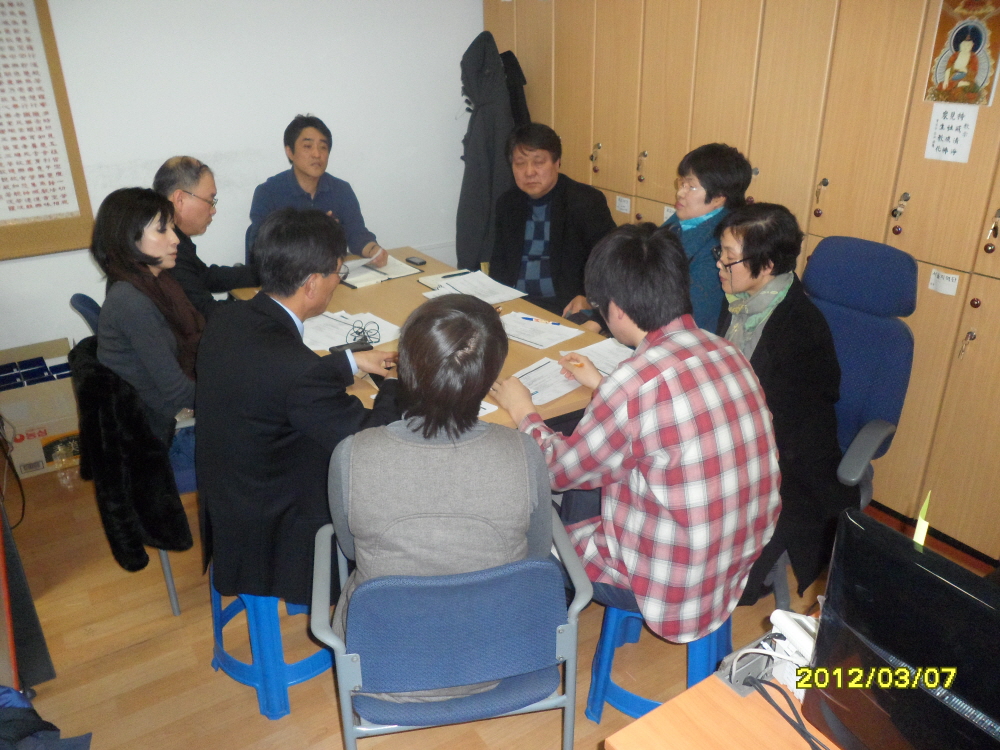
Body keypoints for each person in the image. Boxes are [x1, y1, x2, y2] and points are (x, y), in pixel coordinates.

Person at [493, 223, 780, 642]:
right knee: (597, 476)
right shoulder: (726, 350)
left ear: (617, 310)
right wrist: (603, 386)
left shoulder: (632, 385)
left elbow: (556, 471)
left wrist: (524, 413)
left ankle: (540, 635)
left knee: (527, 530)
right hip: (738, 557)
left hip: (674, 583)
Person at [328, 295, 552, 662]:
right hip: (501, 656)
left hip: (383, 663)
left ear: (406, 367)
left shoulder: (351, 455)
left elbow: (352, 550)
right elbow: (537, 553)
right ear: (491, 376)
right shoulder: (525, 452)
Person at [196, 208, 400, 605]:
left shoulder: (228, 318)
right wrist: (395, 384)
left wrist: (350, 361)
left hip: (232, 500)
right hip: (277, 530)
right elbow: (372, 442)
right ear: (311, 284)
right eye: (337, 272)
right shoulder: (298, 372)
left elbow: (274, 379)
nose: (338, 281)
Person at [713, 203, 859, 604]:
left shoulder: (801, 329)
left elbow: (782, 429)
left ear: (766, 266)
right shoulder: (740, 301)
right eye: (720, 252)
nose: (720, 264)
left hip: (784, 464)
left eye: (729, 257)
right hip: (735, 440)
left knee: (721, 585)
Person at [91, 187, 204, 446]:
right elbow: (178, 392)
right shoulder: (131, 302)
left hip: (166, 408)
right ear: (128, 238)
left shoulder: (155, 281)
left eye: (172, 228)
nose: (175, 239)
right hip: (164, 427)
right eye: (162, 230)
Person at [489, 123, 616, 324]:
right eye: (520, 163)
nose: (529, 172)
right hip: (515, 304)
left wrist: (589, 299)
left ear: (557, 163)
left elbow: (612, 264)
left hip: (564, 308)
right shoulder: (508, 203)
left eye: (538, 162)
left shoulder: (585, 201)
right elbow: (499, 263)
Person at [245, 114, 386, 268]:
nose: (317, 154)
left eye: (323, 147)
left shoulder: (341, 190)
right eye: (308, 146)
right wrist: (315, 232)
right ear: (290, 152)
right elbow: (260, 248)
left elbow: (356, 234)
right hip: (286, 276)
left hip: (329, 275)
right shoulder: (268, 192)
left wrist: (373, 250)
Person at [153, 156, 258, 320]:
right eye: (210, 200)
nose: (213, 210)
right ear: (180, 199)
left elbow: (205, 276)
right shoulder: (167, 249)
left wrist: (268, 273)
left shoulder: (176, 240)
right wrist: (272, 306)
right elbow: (205, 312)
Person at [663, 143, 752, 333]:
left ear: (718, 198)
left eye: (691, 187)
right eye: (681, 183)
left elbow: (693, 320)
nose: (680, 193)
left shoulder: (720, 248)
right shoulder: (683, 219)